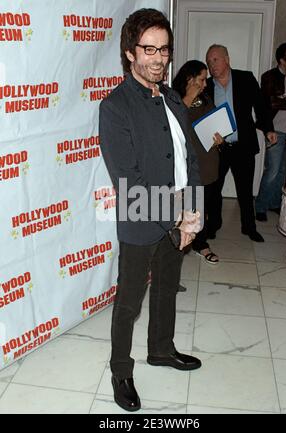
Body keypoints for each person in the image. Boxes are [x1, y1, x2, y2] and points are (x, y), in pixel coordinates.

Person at [99, 8, 202, 412]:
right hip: (142, 217)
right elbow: (128, 181)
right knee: (129, 301)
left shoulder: (174, 97)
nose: (159, 58)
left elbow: (189, 161)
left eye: (165, 49)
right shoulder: (116, 106)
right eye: (149, 49)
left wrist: (192, 215)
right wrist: (178, 217)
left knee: (166, 289)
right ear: (129, 52)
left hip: (180, 216)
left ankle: (161, 349)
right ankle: (121, 370)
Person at [205, 44, 277, 242]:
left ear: (227, 59)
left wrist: (268, 129)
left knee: (245, 191)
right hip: (218, 149)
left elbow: (260, 106)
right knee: (214, 190)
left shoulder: (246, 78)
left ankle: (249, 227)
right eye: (209, 62)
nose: (212, 65)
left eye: (215, 59)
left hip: (243, 146)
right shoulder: (207, 86)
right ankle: (213, 225)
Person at [173, 60, 223, 264]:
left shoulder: (205, 98)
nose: (205, 84)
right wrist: (189, 96)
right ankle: (182, 244)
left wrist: (220, 137)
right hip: (188, 165)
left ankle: (200, 244)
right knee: (189, 207)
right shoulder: (173, 98)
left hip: (210, 159)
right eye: (202, 79)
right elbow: (175, 121)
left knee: (205, 207)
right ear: (189, 78)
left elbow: (214, 121)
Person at [255, 43, 286, 222]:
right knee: (272, 170)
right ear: (282, 60)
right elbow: (268, 104)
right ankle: (260, 206)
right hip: (276, 129)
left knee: (283, 171)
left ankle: (273, 203)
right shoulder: (269, 77)